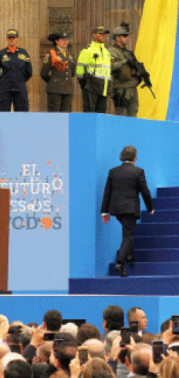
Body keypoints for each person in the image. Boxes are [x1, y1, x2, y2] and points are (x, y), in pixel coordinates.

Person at [101, 146, 154, 277]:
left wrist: (104, 212)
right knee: (128, 235)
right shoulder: (138, 171)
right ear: (134, 158)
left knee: (127, 230)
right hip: (130, 209)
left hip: (116, 209)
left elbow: (107, 192)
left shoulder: (113, 172)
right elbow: (145, 191)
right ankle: (120, 261)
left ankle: (131, 256)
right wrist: (150, 208)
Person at [0, 29, 32, 112]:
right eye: (9, 38)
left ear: (17, 39)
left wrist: (20, 79)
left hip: (20, 88)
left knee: (22, 113)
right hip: (5, 88)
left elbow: (29, 71)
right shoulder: (1, 54)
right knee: (3, 112)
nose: (11, 40)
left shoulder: (23, 53)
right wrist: (1, 82)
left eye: (13, 37)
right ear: (6, 39)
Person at [77, 26, 112, 113]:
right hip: (91, 87)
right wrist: (85, 85)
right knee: (89, 114)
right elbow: (80, 70)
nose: (103, 36)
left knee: (101, 115)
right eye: (100, 34)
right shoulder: (87, 51)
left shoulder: (107, 52)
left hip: (104, 88)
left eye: (104, 34)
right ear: (94, 35)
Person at [109, 23, 140, 117]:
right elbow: (110, 66)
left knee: (133, 116)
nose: (127, 38)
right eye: (125, 36)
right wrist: (124, 61)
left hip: (132, 87)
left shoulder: (128, 52)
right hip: (121, 89)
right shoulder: (111, 51)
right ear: (117, 38)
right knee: (121, 117)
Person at [41, 30, 76, 112]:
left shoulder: (70, 55)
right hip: (55, 89)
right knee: (55, 115)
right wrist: (53, 81)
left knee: (66, 115)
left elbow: (72, 72)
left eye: (66, 39)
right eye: (63, 39)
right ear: (56, 41)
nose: (65, 41)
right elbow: (44, 73)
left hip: (68, 89)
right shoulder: (51, 53)